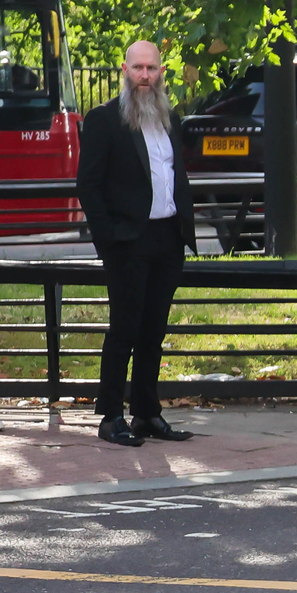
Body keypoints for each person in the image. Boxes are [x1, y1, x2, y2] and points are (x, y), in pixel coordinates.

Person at [75, 40, 195, 447]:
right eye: (138, 68)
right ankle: (111, 416)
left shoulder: (169, 118)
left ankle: (147, 413)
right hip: (127, 241)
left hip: (167, 237)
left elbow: (176, 176)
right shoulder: (104, 119)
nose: (145, 76)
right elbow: (87, 184)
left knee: (153, 332)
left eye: (152, 68)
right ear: (124, 70)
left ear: (162, 72)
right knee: (124, 329)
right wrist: (108, 239)